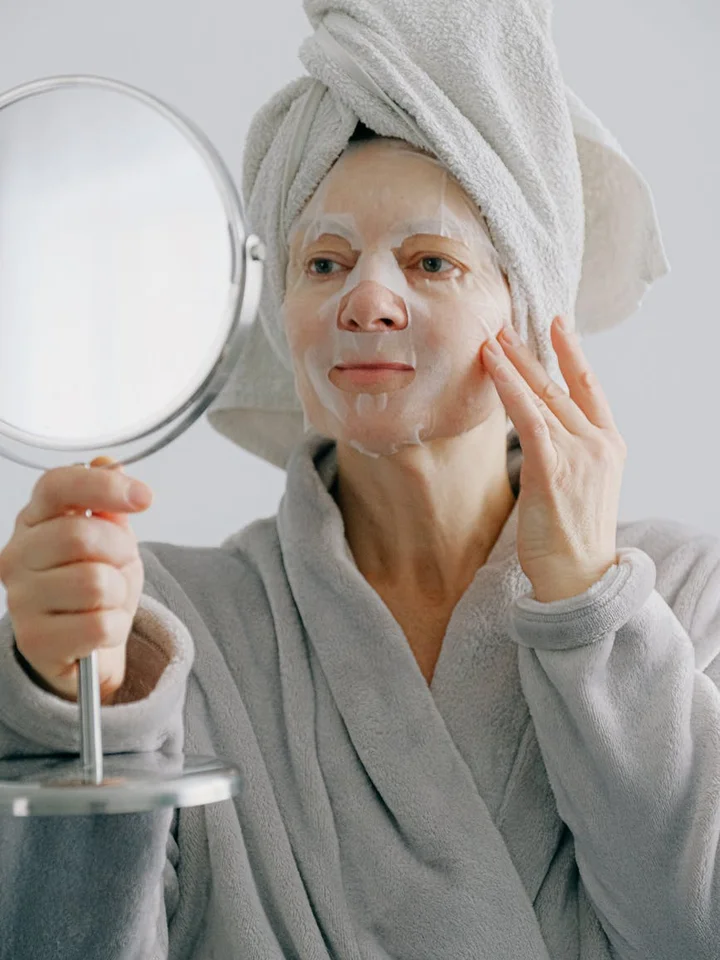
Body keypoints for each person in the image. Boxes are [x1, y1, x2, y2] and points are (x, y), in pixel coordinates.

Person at [1, 2, 719, 959]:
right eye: (324, 261)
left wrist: (594, 609)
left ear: (532, 311)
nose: (366, 300)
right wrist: (80, 713)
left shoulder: (681, 595)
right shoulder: (157, 626)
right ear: (282, 311)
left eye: (431, 262)